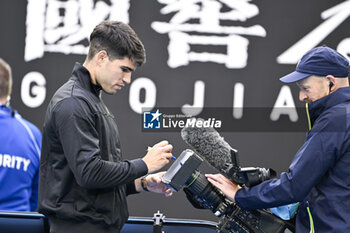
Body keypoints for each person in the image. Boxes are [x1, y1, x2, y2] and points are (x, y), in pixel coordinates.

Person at [38, 21, 173, 233]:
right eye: (124, 69)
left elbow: (94, 185)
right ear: (101, 57)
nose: (128, 79)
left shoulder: (91, 102)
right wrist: (145, 164)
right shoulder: (73, 104)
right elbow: (90, 173)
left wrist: (143, 183)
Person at [206, 45, 350, 232]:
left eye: (305, 88)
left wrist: (241, 195)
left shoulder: (335, 120)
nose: (301, 96)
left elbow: (295, 185)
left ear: (330, 82)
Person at [0, 58, 42, 212]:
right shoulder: (32, 134)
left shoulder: (33, 134)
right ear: (8, 90)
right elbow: (38, 198)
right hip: (19, 224)